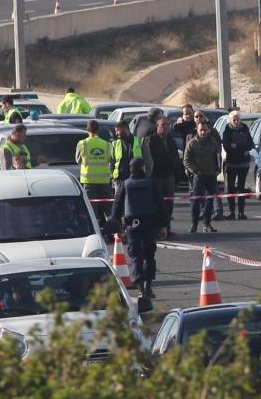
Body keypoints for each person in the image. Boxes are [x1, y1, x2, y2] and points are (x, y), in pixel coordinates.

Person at [110, 157, 167, 298]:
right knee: (149, 255)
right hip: (149, 224)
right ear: (142, 168)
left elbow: (116, 207)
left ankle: (141, 288)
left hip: (132, 226)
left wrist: (116, 228)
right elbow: (161, 206)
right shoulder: (151, 183)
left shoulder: (125, 184)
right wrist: (164, 225)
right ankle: (148, 286)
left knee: (136, 257)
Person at [183, 119, 220, 233]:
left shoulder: (213, 142)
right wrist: (195, 170)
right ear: (197, 130)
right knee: (196, 200)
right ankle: (194, 224)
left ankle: (207, 224)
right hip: (198, 176)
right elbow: (186, 160)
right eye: (201, 130)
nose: (203, 132)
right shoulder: (192, 143)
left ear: (208, 130)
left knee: (209, 201)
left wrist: (218, 169)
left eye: (205, 130)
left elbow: (218, 157)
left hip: (211, 175)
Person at [75, 120, 112, 227]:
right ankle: (113, 231)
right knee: (108, 208)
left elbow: (78, 160)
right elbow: (110, 159)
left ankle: (96, 230)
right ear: (98, 130)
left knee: (92, 209)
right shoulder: (107, 144)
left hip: (89, 182)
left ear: (87, 130)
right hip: (104, 181)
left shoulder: (82, 144)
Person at [149, 116, 182, 237]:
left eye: (167, 125)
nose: (165, 127)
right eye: (163, 125)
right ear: (157, 126)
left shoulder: (171, 141)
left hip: (169, 176)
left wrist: (177, 178)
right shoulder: (151, 141)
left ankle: (167, 228)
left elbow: (176, 160)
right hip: (156, 176)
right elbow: (148, 160)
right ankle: (157, 228)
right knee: (157, 203)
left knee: (169, 203)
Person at [221, 111, 255, 221]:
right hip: (231, 163)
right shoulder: (227, 130)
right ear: (231, 120)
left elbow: (250, 144)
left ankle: (241, 212)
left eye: (237, 119)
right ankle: (231, 212)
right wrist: (233, 147)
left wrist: (242, 148)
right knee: (230, 188)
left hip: (243, 163)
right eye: (234, 120)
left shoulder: (244, 128)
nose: (236, 122)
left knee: (241, 188)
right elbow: (226, 145)